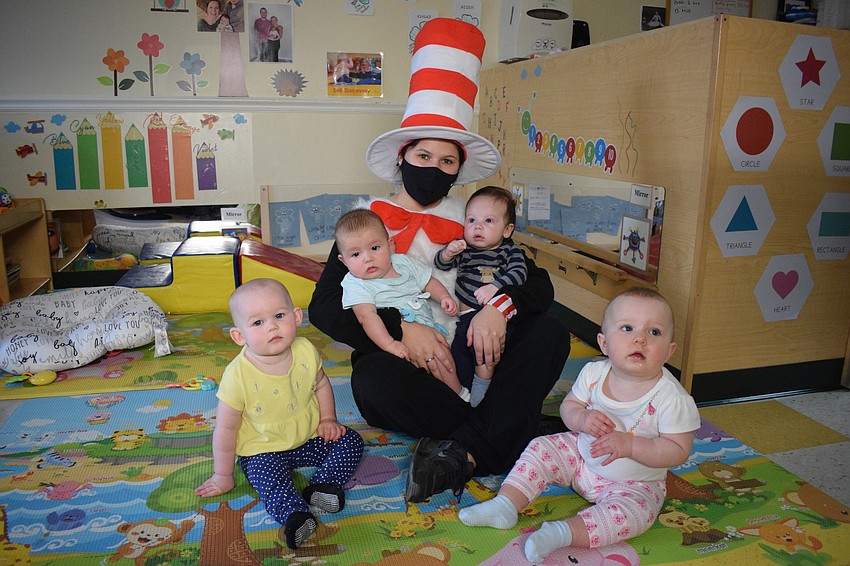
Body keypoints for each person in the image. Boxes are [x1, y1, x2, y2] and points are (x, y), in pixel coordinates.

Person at [309, 18, 571, 505]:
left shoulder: (474, 219)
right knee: (372, 381)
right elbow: (323, 307)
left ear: (458, 172)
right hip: (400, 359)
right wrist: (401, 328)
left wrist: (499, 308)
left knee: (549, 333)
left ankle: (468, 449)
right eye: (423, 156)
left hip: (469, 345)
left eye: (447, 162)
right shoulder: (368, 223)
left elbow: (539, 286)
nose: (433, 169)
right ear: (402, 158)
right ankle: (511, 427)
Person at [459, 287, 700, 563]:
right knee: (541, 446)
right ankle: (506, 504)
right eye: (627, 328)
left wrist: (632, 445)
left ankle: (561, 533)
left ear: (669, 351)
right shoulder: (594, 373)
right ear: (604, 343)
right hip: (581, 458)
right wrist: (582, 419)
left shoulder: (672, 398)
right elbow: (568, 407)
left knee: (635, 515)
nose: (640, 339)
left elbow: (678, 449)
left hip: (634, 483)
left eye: (654, 332)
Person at [195, 279, 364, 550]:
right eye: (257, 323)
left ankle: (322, 486)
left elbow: (320, 383)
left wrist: (328, 419)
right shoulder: (237, 376)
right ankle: (296, 515)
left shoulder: (306, 350)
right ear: (239, 336)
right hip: (263, 448)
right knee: (268, 479)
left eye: (279, 316)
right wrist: (222, 474)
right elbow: (226, 429)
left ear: (296, 317)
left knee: (351, 440)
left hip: (309, 436)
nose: (272, 326)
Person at [435, 186, 527, 407]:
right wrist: (449, 252)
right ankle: (457, 394)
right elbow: (440, 264)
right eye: (471, 220)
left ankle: (481, 392)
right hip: (464, 318)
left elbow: (519, 273)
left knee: (484, 356)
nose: (478, 226)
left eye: (488, 221)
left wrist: (494, 287)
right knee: (456, 356)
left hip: (491, 318)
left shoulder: (509, 251)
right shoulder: (465, 249)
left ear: (507, 229)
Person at [335, 208, 460, 365]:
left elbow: (427, 281)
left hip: (430, 330)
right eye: (355, 254)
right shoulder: (356, 283)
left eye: (374, 248)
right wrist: (390, 344)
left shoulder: (403, 263)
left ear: (389, 245)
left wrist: (443, 297)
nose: (368, 258)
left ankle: (459, 391)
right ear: (343, 261)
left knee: (445, 362)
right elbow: (366, 317)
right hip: (394, 342)